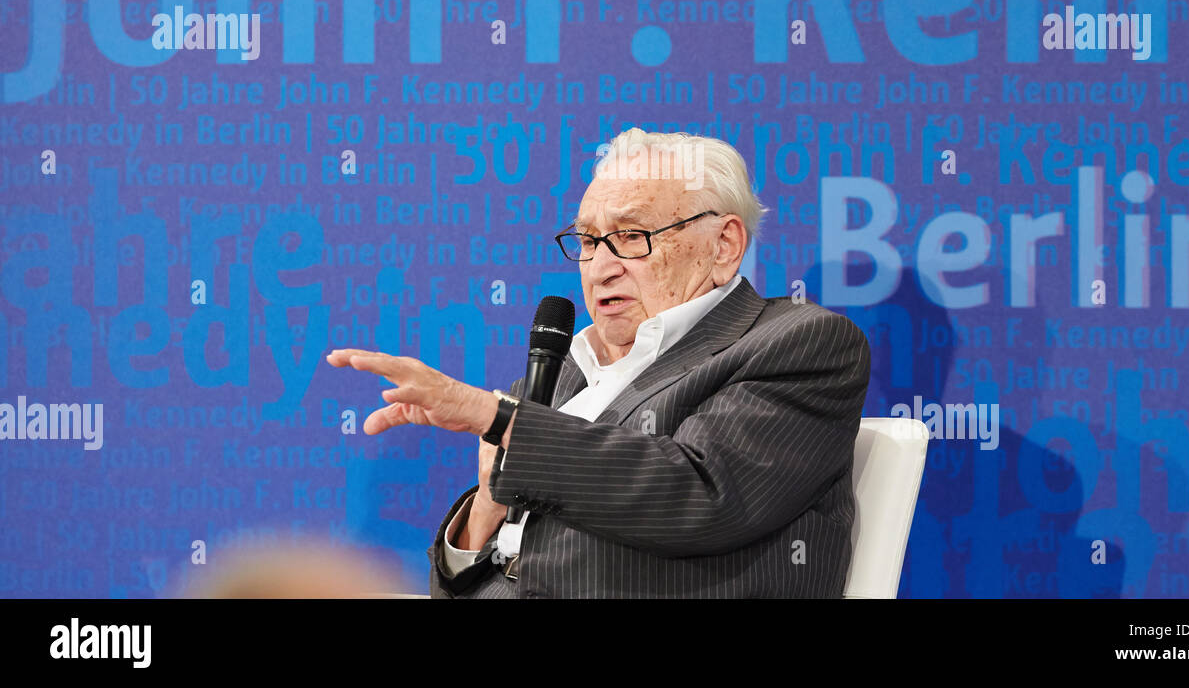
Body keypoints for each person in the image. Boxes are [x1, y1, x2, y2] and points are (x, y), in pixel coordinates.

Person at [328, 128, 871, 597]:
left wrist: (495, 416)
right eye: (588, 240)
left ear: (724, 244)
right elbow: (465, 580)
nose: (599, 268)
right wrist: (483, 518)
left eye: (631, 237)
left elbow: (701, 496)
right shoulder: (564, 370)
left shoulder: (799, 344)